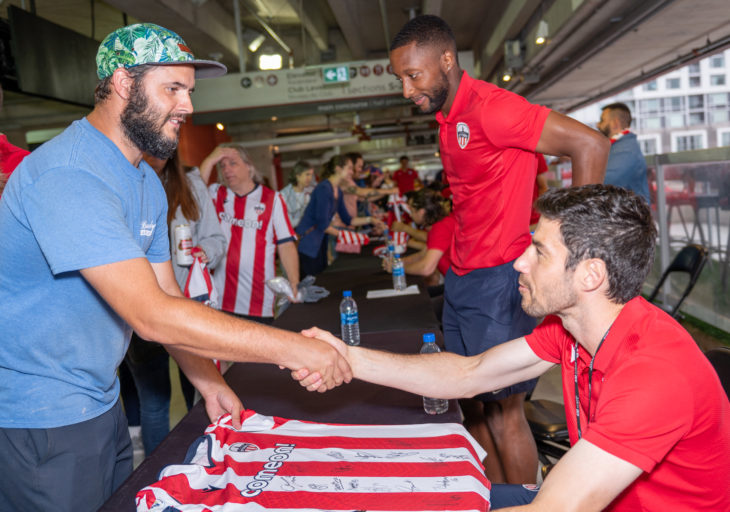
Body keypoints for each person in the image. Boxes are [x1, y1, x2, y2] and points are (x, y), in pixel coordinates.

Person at [0, 23, 350, 512]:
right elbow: (151, 316)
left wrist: (207, 380)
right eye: (173, 88)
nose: (188, 105)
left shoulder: (142, 177)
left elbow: (170, 298)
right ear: (123, 85)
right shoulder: (69, 174)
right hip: (41, 416)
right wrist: (292, 348)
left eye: (189, 90)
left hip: (99, 403)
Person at [297, 185, 730, 512]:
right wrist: (347, 357)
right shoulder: (572, 328)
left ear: (591, 275)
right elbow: (468, 374)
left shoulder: (655, 374)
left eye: (539, 252)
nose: (519, 263)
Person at [387, 15, 609, 484]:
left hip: (501, 281)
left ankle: (527, 497)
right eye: (400, 79)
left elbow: (589, 143)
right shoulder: (447, 118)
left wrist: (575, 248)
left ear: (446, 61)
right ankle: (492, 496)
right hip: (462, 279)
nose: (407, 90)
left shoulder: (493, 107)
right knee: (471, 407)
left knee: (506, 413)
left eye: (413, 75)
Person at [121, 149, 227, 455]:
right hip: (143, 308)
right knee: (154, 402)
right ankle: (157, 470)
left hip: (188, 306)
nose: (158, 154)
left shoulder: (191, 184)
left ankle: (202, 457)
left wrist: (205, 251)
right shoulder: (129, 184)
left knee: (197, 391)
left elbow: (216, 238)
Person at [198, 144, 299, 325]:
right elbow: (194, 192)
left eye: (233, 163)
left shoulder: (272, 199)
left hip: (258, 302)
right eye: (222, 165)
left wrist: (294, 284)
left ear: (249, 167)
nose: (227, 169)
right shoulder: (216, 193)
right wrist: (209, 160)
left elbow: (286, 245)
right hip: (219, 300)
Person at [296, 154, 384, 277]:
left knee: (321, 279)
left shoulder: (337, 190)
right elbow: (323, 224)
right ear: (338, 169)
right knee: (312, 283)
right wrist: (348, 236)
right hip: (309, 242)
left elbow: (348, 220)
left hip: (320, 242)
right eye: (349, 168)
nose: (351, 172)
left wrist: (371, 219)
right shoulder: (324, 188)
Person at [383, 189, 455, 286]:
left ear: (421, 212)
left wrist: (397, 267)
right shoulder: (441, 224)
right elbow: (423, 254)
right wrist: (398, 262)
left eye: (412, 211)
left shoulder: (440, 228)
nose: (410, 215)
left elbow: (426, 268)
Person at [597, 102, 651, 205]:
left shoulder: (626, 151)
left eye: (602, 120)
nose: (598, 125)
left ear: (615, 123)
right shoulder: (618, 147)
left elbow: (601, 184)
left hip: (629, 218)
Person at [279, 160, 315, 228]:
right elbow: (287, 223)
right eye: (307, 174)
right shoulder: (284, 195)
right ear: (298, 176)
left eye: (311, 175)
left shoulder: (309, 193)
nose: (310, 178)